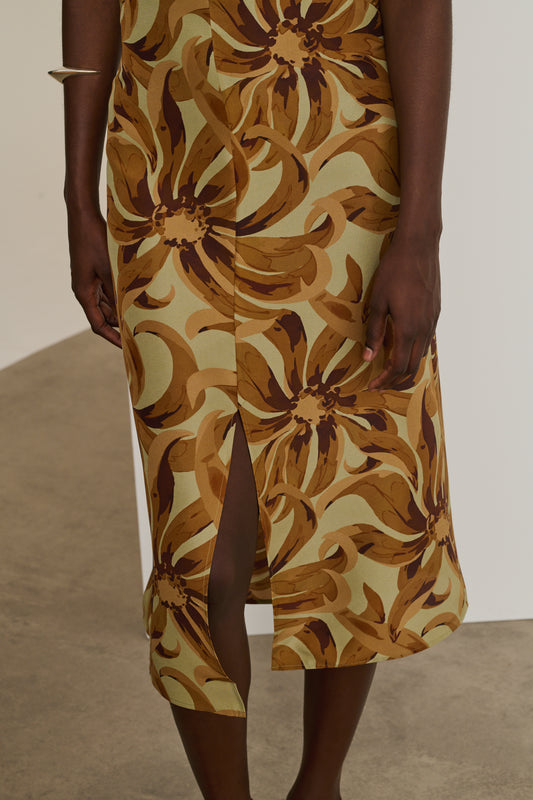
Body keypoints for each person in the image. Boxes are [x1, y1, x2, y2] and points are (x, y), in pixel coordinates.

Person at [49, 1, 468, 798]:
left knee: (341, 503)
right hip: (166, 180)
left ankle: (319, 787)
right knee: (195, 550)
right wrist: (77, 198)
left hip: (338, 179)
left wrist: (419, 232)